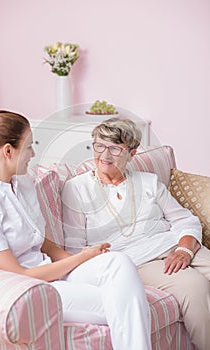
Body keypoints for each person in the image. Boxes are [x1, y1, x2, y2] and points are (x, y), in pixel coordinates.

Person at [0, 109, 152, 350]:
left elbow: (42, 242)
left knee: (117, 262)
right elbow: (19, 274)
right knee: (128, 304)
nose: (33, 153)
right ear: (8, 151)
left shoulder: (24, 183)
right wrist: (82, 257)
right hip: (32, 288)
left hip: (49, 268)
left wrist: (82, 263)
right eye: (29, 146)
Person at [62, 117, 210, 350]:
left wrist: (184, 249)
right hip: (136, 260)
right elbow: (74, 246)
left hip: (174, 244)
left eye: (115, 149)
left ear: (132, 154)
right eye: (99, 146)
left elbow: (185, 221)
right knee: (194, 286)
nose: (104, 155)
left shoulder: (149, 182)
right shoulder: (76, 188)